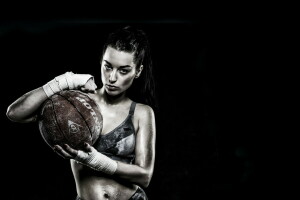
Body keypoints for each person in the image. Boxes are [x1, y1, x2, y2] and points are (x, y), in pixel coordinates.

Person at [6, 26, 156, 200]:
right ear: (101, 61)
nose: (112, 77)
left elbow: (145, 176)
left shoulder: (141, 113)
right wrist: (67, 80)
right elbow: (15, 113)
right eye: (107, 67)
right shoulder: (74, 103)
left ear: (137, 71)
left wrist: (95, 161)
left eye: (123, 70)